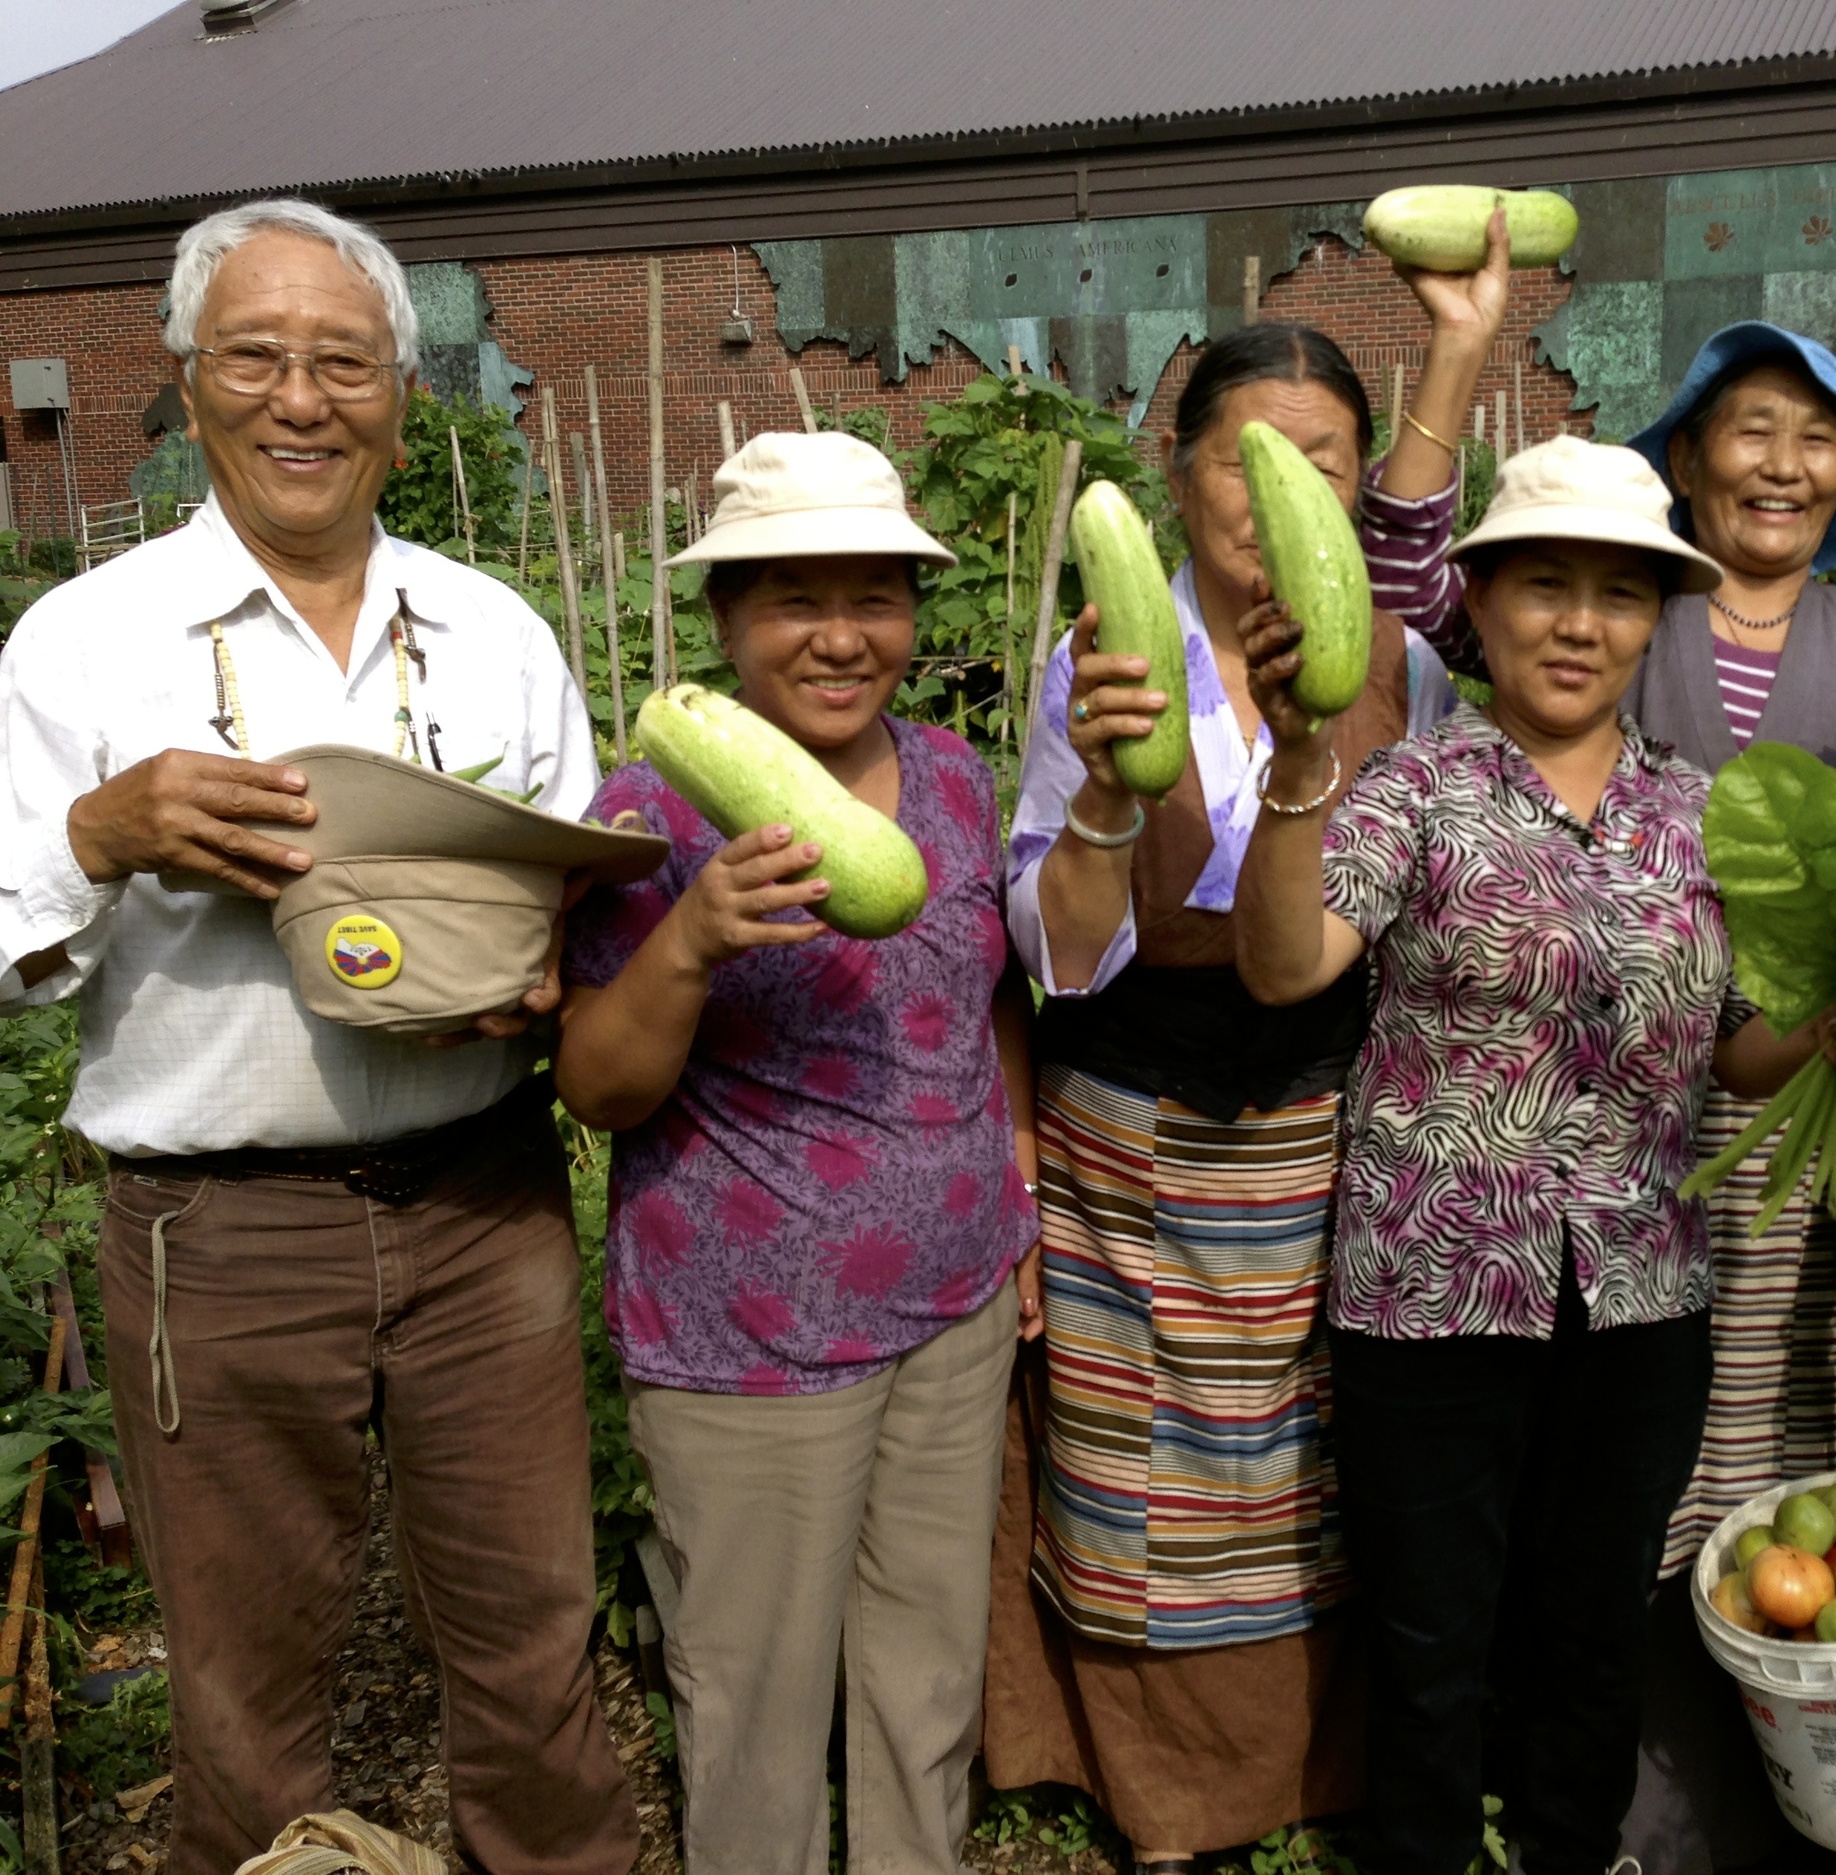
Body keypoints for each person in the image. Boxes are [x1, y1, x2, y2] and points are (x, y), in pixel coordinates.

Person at [0, 199, 636, 1873]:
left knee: (530, 1647)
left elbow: (570, 890)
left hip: (480, 1196)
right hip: (221, 1231)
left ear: (401, 394)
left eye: (343, 360)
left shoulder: (492, 628)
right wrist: (106, 834)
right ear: (188, 383)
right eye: (257, 357)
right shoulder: (83, 642)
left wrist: (547, 964)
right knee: (242, 1680)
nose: (303, 397)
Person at [1232, 434, 1836, 1875]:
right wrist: (1293, 768)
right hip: (1434, 1293)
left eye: (1620, 596)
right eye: (1544, 587)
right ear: (1487, 601)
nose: (1580, 625)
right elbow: (1282, 968)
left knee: (1589, 1629)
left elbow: (1742, 1049)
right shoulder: (1409, 790)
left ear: (1656, 620)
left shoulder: (1701, 815)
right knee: (1430, 1636)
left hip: (1641, 1296)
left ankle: (1573, 1852)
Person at [1365, 317, 1836, 1872]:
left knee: (1619, 1566)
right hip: (1464, 1244)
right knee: (1447, 1609)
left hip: (1668, 1217)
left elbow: (1761, 1034)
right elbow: (1303, 948)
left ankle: (1627, 1825)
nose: (1785, 460)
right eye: (1749, 425)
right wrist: (1460, 343)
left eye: (1820, 434)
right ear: (1684, 459)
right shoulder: (1427, 774)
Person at [982, 322, 1455, 1869]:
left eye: (1315, 459)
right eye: (1242, 457)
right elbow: (1051, 947)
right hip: (1133, 1128)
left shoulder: (1405, 668)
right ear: (1179, 480)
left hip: (1328, 1133)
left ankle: (1312, 1773)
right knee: (1139, 1482)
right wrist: (1115, 797)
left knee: (1306, 1471)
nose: (1276, 490)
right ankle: (1159, 1800)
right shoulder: (1102, 664)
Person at [555, 431, 1042, 1875]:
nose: (842, 637)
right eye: (792, 600)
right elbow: (599, 1088)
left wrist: (1011, 1191)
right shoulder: (648, 817)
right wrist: (693, 938)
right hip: (749, 1340)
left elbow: (984, 1004)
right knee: (756, 1705)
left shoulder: (954, 776)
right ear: (724, 621)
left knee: (926, 1676)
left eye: (875, 597)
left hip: (954, 1311)